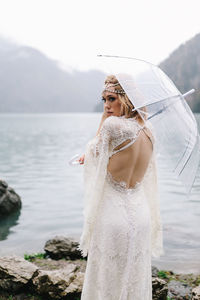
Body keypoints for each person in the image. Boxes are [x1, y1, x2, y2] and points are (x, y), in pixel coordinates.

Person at [78, 75, 164, 300]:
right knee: (133, 280)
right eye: (104, 99)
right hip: (141, 214)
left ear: (126, 100)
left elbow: (95, 150)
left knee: (107, 282)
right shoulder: (149, 131)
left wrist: (103, 121)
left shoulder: (112, 125)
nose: (106, 105)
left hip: (112, 216)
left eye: (111, 99)